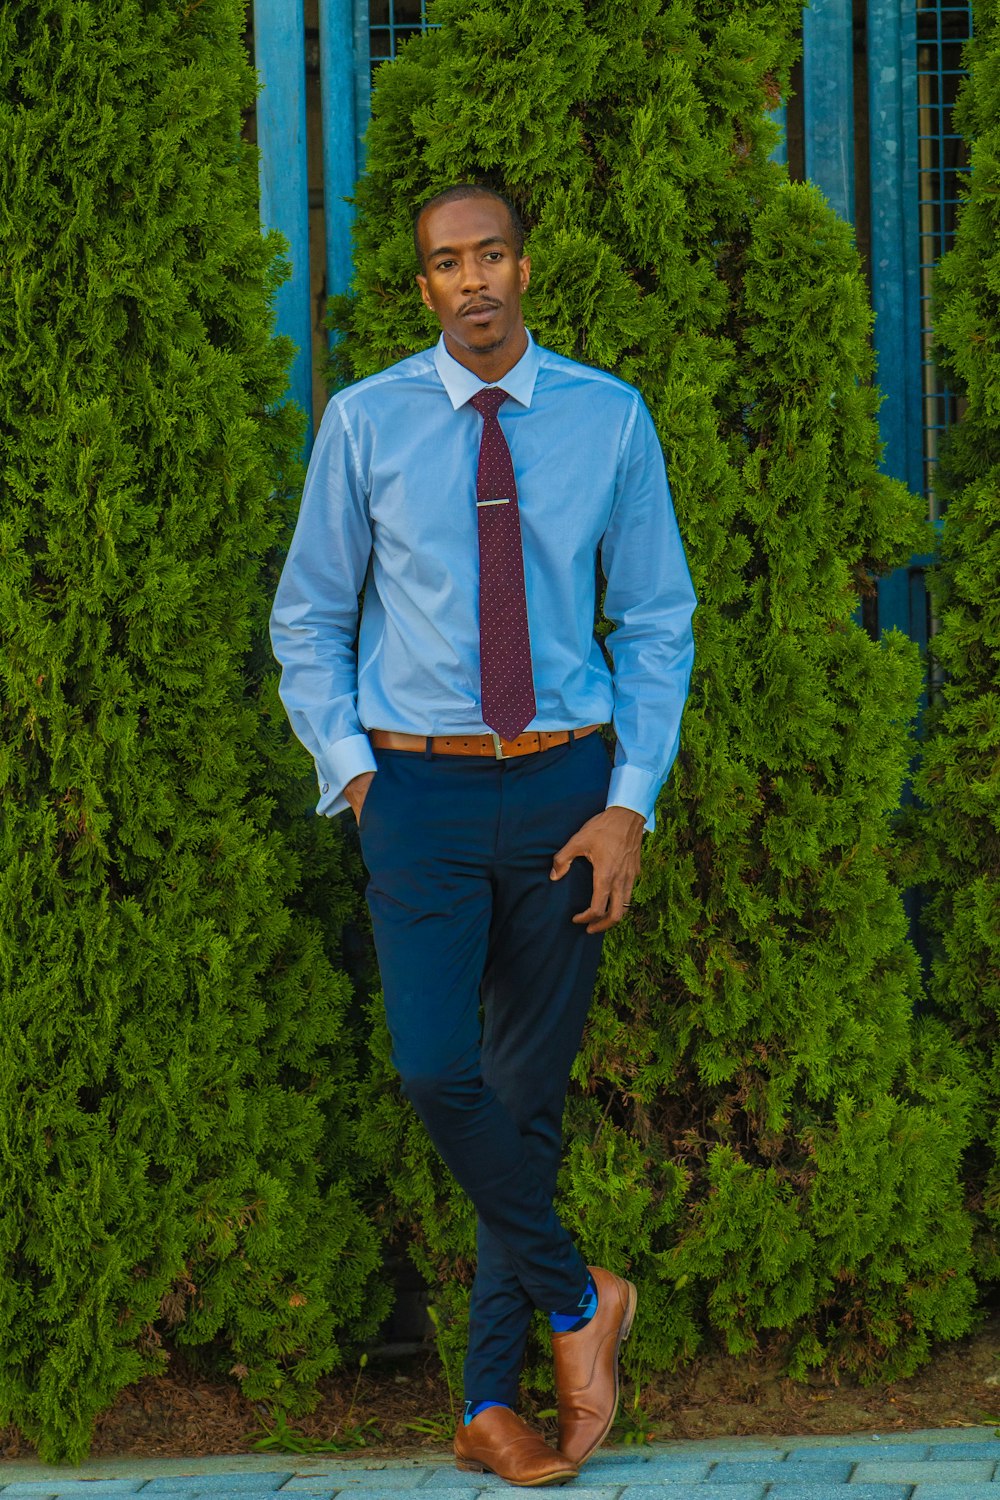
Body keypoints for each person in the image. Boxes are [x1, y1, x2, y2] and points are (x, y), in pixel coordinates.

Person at [270, 182, 697, 1487]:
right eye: (447, 265)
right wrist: (356, 778)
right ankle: (583, 1303)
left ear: (525, 266)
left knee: (525, 1098)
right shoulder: (368, 425)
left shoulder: (607, 417)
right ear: (424, 289)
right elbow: (309, 619)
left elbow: (660, 621)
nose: (474, 283)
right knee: (434, 1069)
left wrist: (630, 802)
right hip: (422, 798)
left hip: (571, 791)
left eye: (492, 255)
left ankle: (487, 1407)